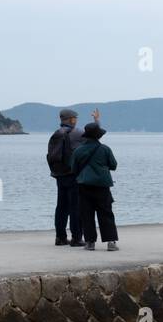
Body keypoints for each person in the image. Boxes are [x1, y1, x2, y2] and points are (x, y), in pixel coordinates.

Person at [70, 109, 119, 251]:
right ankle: (111, 242)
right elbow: (113, 165)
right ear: (98, 135)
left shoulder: (78, 151)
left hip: (84, 185)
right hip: (102, 186)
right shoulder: (105, 149)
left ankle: (90, 242)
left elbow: (73, 168)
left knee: (87, 214)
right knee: (106, 213)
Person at [47, 107, 84, 246]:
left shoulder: (56, 133)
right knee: (75, 207)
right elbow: (95, 137)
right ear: (72, 119)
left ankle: (60, 237)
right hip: (72, 175)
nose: (76, 121)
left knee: (61, 207)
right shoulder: (77, 133)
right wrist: (97, 122)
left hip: (58, 174)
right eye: (76, 118)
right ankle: (76, 238)